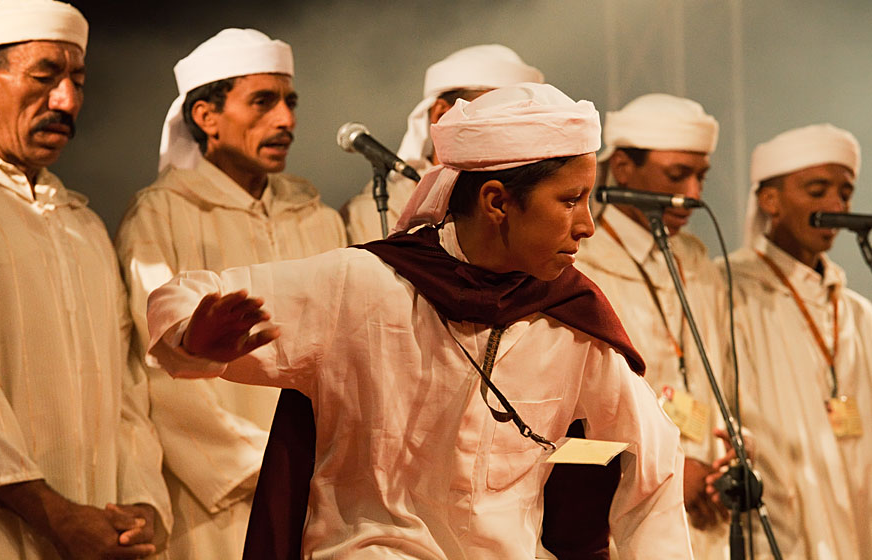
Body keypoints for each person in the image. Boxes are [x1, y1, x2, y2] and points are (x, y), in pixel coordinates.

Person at [146, 83, 693, 559]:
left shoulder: (569, 320)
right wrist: (194, 337)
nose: (587, 225)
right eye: (570, 200)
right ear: (498, 201)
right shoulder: (363, 285)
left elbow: (655, 468)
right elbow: (184, 291)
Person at [115, 28, 347, 559]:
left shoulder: (316, 217)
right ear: (206, 116)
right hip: (221, 499)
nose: (286, 119)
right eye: (262, 102)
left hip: (322, 485)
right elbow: (154, 368)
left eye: (289, 101)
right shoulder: (161, 213)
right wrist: (257, 464)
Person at [0, 0, 170, 559]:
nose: (66, 100)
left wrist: (140, 504)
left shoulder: (82, 225)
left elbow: (126, 389)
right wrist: (52, 512)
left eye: (78, 81)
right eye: (45, 76)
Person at [575, 93, 733, 557]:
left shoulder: (697, 262)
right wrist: (665, 466)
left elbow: (715, 381)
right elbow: (566, 427)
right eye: (676, 175)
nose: (694, 194)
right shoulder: (582, 262)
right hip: (619, 513)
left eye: (701, 176)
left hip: (704, 515)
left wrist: (725, 456)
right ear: (622, 168)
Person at [727, 124, 872, 559]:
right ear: (770, 201)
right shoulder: (728, 288)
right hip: (778, 518)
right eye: (817, 190)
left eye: (844, 193)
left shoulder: (857, 312)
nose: (836, 205)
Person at [340, 43, 543, 243]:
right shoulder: (373, 212)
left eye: (520, 120)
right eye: (498, 115)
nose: (511, 131)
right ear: (441, 113)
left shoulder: (534, 204)